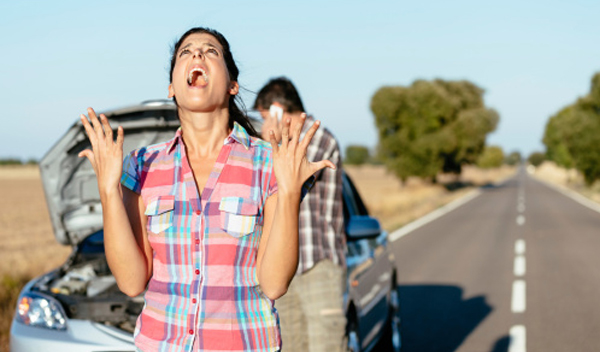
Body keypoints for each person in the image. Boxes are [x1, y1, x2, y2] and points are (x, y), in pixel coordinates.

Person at [78, 27, 334, 352]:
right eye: (186, 52)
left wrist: (289, 193)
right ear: (172, 87)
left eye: (211, 51)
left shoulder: (268, 162)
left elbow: (274, 283)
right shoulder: (141, 165)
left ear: (232, 85)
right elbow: (131, 282)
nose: (197, 55)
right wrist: (108, 190)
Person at [253, 77, 346, 352]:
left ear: (279, 110)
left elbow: (289, 177)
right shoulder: (281, 146)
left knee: (326, 345)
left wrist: (267, 140)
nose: (263, 125)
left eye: (264, 117)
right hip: (282, 269)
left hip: (318, 265)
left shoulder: (319, 138)